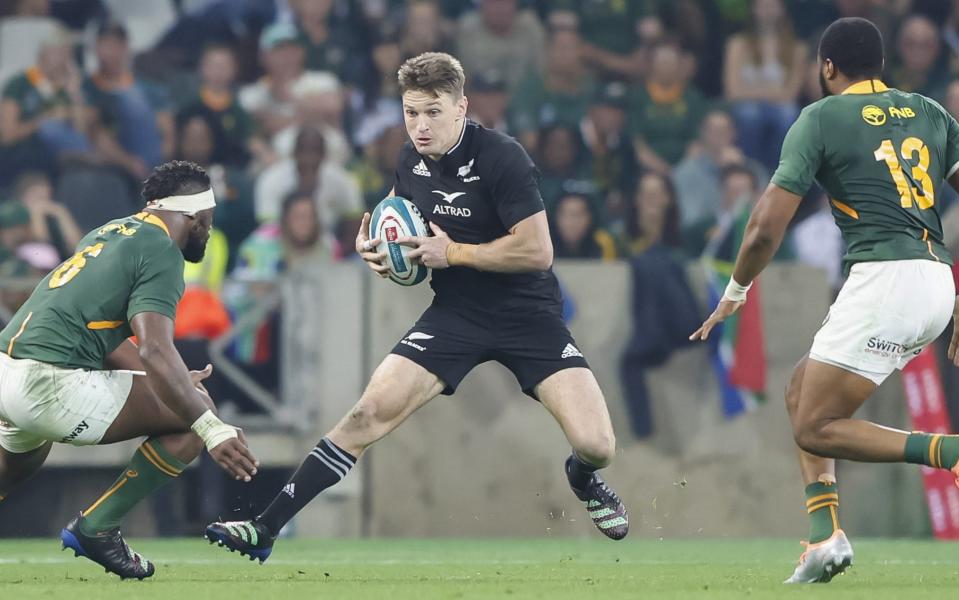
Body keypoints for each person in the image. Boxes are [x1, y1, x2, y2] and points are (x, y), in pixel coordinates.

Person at [205, 52, 628, 561]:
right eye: (411, 113)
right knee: (366, 414)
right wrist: (377, 252)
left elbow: (538, 250)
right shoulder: (409, 160)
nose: (420, 126)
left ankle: (582, 479)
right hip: (456, 315)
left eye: (432, 112)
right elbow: (396, 221)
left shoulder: (502, 157)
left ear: (461, 108)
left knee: (598, 445)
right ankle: (264, 529)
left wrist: (452, 253)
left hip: (528, 315)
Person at [691, 18, 959, 584]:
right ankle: (824, 537)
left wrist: (736, 290)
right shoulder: (931, 112)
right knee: (801, 388)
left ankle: (948, 452)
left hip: (886, 279)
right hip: (937, 281)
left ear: (827, 66)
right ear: (880, 66)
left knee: (816, 426)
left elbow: (766, 227)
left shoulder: (821, 117)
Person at [0, 161, 257, 579]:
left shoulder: (109, 231)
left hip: (7, 372)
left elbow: (109, 337)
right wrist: (211, 427)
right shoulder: (161, 249)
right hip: (47, 384)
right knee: (196, 418)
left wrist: (168, 385)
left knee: (19, 461)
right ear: (192, 215)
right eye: (208, 221)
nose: (208, 232)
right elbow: (156, 350)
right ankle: (96, 529)